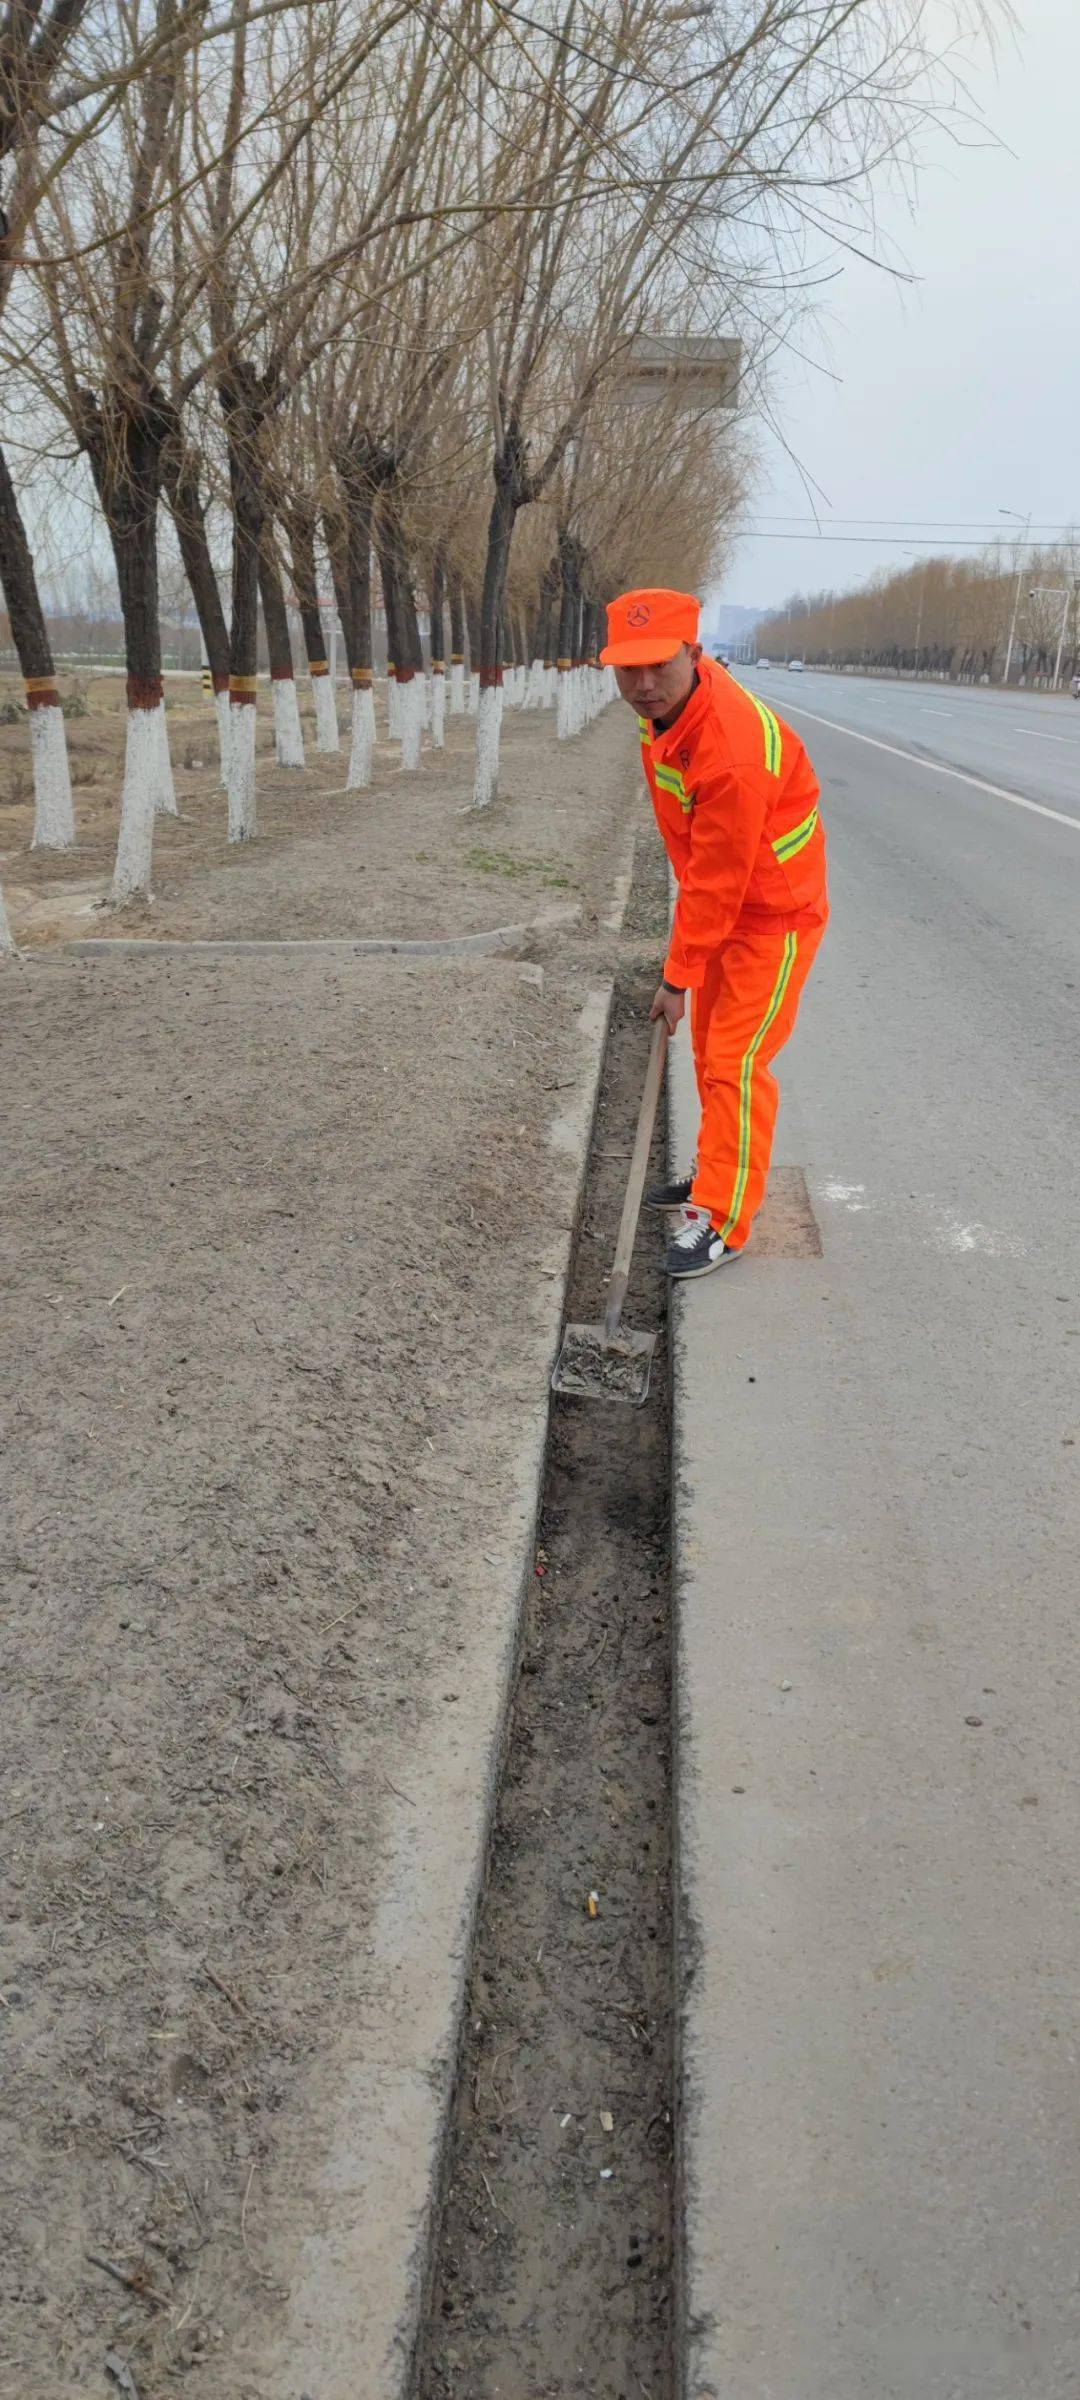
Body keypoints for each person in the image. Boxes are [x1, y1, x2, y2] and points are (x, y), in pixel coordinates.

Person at [600, 586, 828, 1279]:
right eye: (626, 669)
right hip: (730, 906)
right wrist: (690, 961)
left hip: (774, 917)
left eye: (658, 667)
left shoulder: (728, 748)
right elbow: (700, 862)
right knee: (707, 1054)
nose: (641, 685)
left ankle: (723, 1218)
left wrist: (677, 974)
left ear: (693, 654)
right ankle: (713, 1176)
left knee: (736, 1063)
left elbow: (718, 880)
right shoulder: (669, 708)